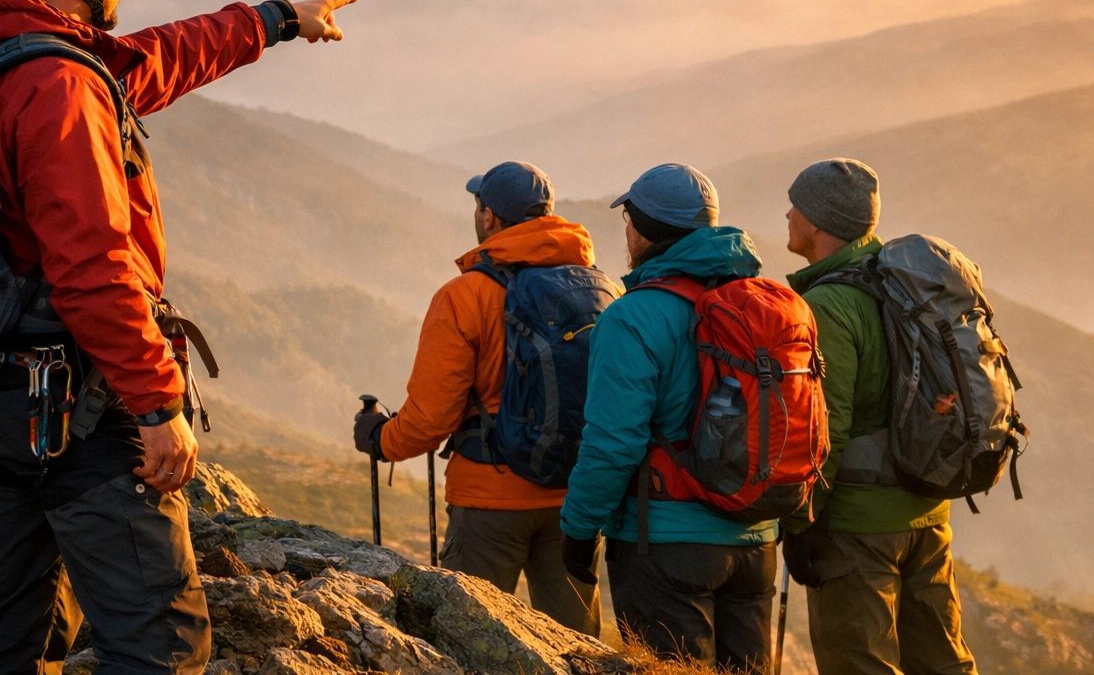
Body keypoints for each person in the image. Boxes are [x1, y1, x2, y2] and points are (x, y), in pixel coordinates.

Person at [0, 0, 357, 675]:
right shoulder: (56, 83)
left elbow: (141, 65)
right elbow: (93, 268)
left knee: (8, 632)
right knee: (160, 644)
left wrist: (273, 20)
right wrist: (159, 402)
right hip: (78, 413)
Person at [352, 161, 604, 635]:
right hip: (574, 494)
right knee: (576, 649)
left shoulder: (465, 295)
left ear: (489, 217)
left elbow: (431, 419)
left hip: (489, 499)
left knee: (470, 640)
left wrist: (381, 439)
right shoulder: (598, 288)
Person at [558, 164, 778, 669]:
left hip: (666, 541)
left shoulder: (633, 316)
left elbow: (614, 443)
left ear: (645, 228)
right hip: (756, 539)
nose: (627, 232)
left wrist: (578, 529)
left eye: (629, 221)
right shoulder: (759, 303)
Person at [780, 159, 977, 675]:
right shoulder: (900, 285)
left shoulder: (830, 303)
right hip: (927, 512)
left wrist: (802, 523)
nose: (787, 214)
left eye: (796, 206)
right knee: (943, 664)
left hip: (857, 528)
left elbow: (826, 425)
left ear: (820, 223)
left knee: (860, 665)